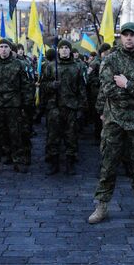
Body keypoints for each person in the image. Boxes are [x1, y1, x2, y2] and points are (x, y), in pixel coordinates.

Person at [88, 22, 134, 227]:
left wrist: (128, 84)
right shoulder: (110, 60)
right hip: (115, 121)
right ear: (120, 37)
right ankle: (101, 205)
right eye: (125, 34)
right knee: (108, 164)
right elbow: (109, 89)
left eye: (133, 34)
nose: (129, 38)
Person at [0, 39, 34, 174]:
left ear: (10, 49)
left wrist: (27, 104)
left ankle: (17, 160)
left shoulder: (19, 65)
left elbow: (26, 85)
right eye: (1, 47)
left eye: (6, 47)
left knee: (15, 133)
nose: (4, 49)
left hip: (14, 104)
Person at [41, 39, 87, 175]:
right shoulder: (50, 66)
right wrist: (51, 85)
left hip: (71, 107)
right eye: (62, 48)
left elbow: (82, 89)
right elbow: (42, 86)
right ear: (58, 50)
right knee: (53, 137)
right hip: (54, 107)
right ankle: (54, 163)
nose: (65, 50)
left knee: (71, 137)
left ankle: (70, 163)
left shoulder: (77, 67)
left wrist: (82, 109)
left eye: (67, 48)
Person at [15, 43, 36, 166]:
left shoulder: (25, 64)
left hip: (23, 102)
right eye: (17, 50)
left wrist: (28, 103)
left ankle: (26, 154)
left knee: (25, 130)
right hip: (12, 103)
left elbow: (29, 83)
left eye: (21, 49)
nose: (19, 52)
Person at [87, 43, 111, 142]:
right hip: (96, 92)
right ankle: (97, 135)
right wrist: (99, 80)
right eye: (107, 51)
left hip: (105, 91)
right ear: (103, 52)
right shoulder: (95, 62)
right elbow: (89, 77)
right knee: (98, 114)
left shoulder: (107, 61)